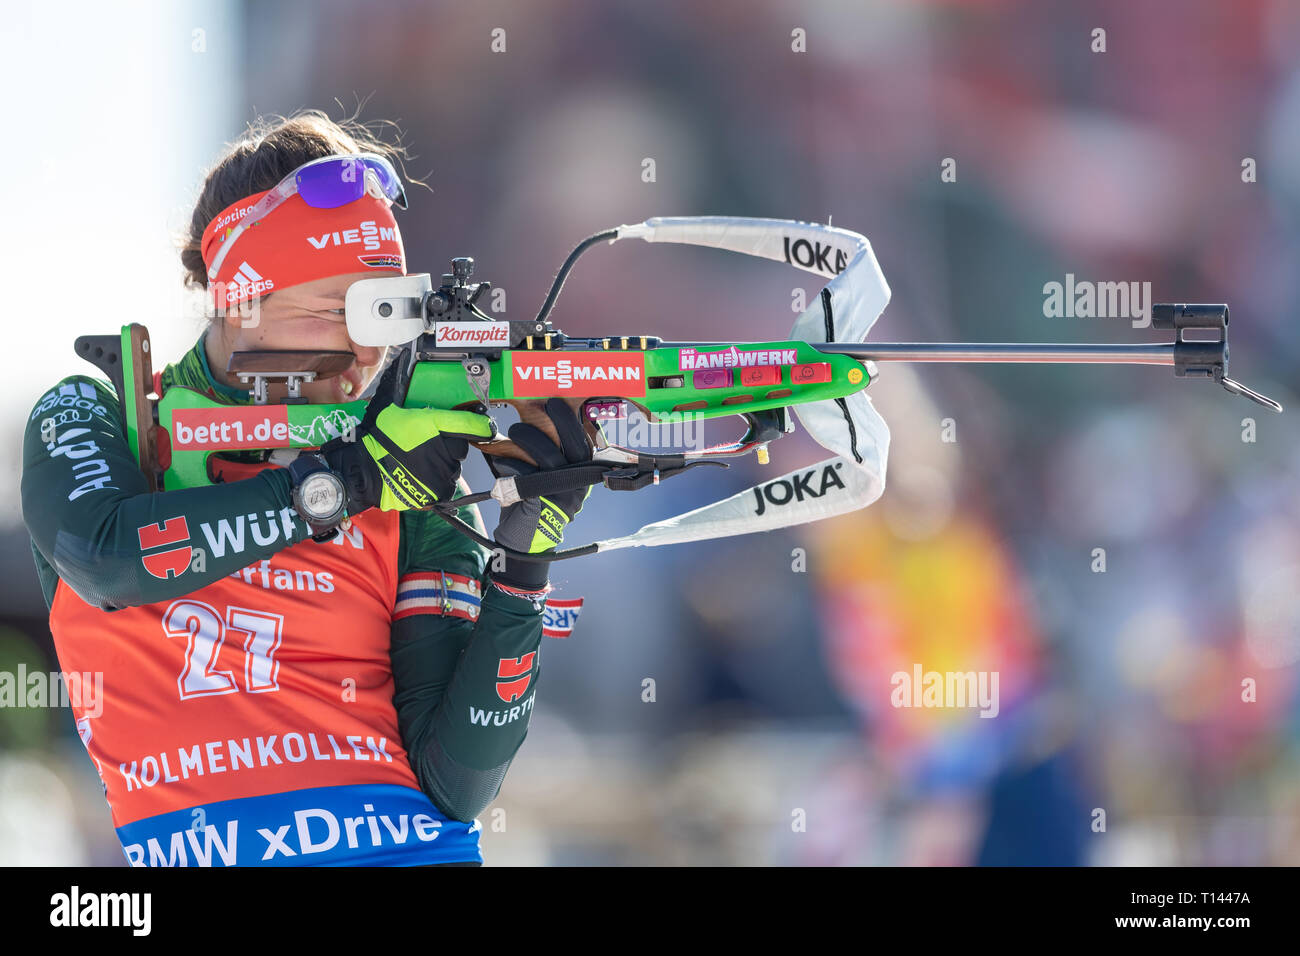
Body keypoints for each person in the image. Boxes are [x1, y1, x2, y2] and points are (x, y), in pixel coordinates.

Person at [19, 110, 591, 866]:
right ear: (240, 299)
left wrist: (524, 566)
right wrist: (344, 484)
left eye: (385, 313)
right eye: (338, 310)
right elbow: (104, 557)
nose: (365, 353)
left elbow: (458, 781)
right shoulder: (97, 416)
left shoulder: (407, 461)